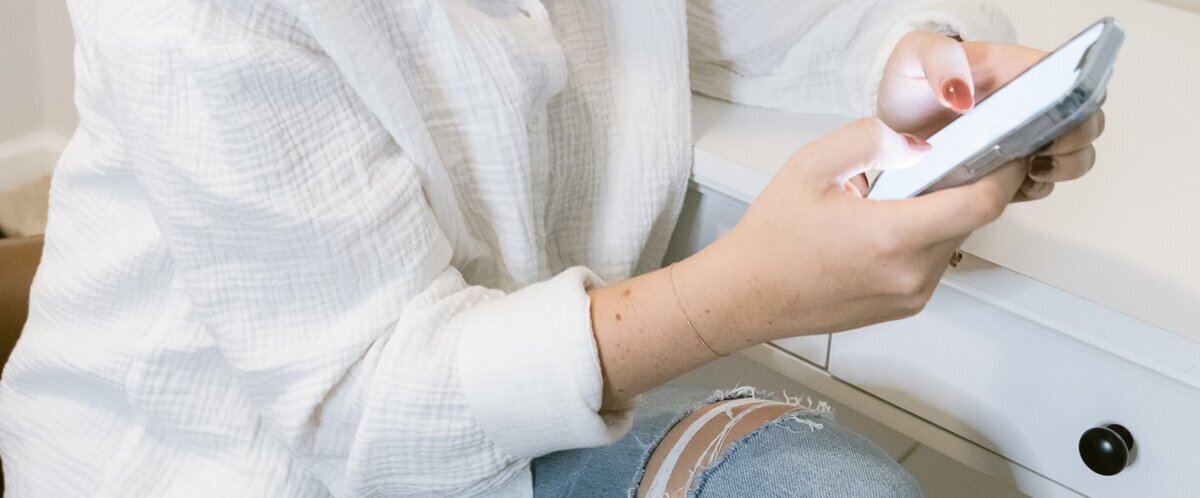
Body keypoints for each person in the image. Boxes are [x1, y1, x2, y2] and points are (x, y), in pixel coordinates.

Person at [0, 0, 1104, 496]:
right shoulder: (191, 15)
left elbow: (761, 19)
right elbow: (362, 412)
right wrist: (742, 295)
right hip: (238, 469)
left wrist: (934, 68)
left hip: (509, 430)